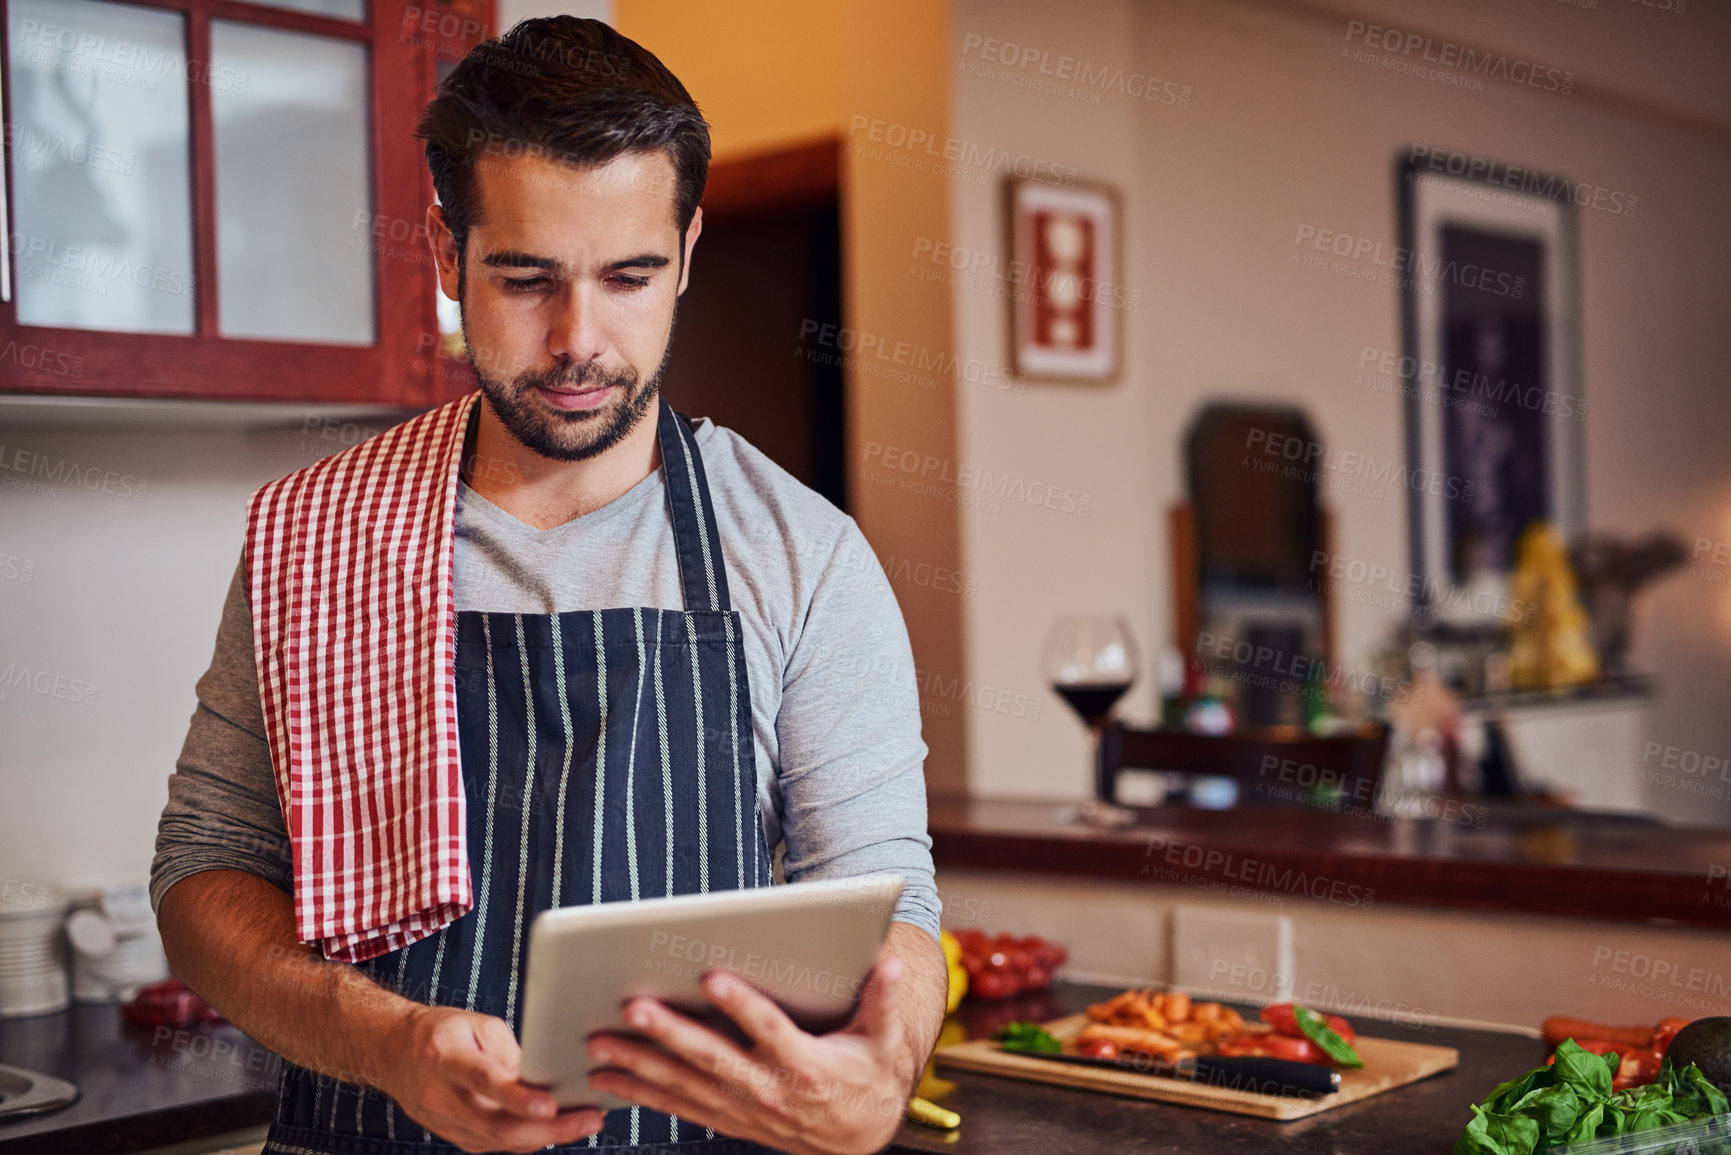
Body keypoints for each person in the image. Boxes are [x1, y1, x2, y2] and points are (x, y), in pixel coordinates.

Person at [150, 16, 947, 1155]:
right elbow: (203, 870)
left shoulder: (803, 554)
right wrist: (384, 1041)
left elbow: (888, 897)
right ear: (443, 253)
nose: (581, 341)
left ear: (687, 251)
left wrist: (881, 1071)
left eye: (629, 277)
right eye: (526, 278)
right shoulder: (318, 531)